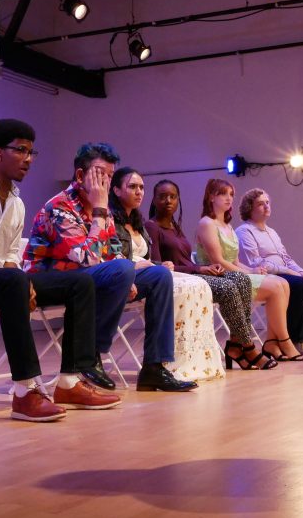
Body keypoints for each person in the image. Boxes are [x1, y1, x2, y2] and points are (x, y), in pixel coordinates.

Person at [0, 119, 121, 423]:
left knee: (80, 282)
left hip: (6, 283)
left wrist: (19, 279)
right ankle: (24, 392)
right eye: (21, 150)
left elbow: (11, 257)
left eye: (32, 153)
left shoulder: (17, 203)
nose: (28, 159)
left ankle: (70, 382)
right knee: (12, 280)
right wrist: (13, 280)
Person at [22, 142, 197, 393]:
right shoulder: (59, 207)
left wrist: (127, 276)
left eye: (110, 176)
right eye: (100, 174)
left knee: (158, 275)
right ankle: (90, 354)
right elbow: (86, 257)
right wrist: (100, 211)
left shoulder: (99, 207)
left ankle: (154, 368)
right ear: (81, 175)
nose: (105, 182)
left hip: (85, 279)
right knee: (123, 269)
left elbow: (114, 251)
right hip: (49, 281)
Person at [146, 179, 277, 371]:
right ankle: (247, 346)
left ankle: (234, 345)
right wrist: (199, 269)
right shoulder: (152, 226)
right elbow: (160, 267)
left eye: (173, 197)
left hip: (194, 275)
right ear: (154, 200)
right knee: (228, 288)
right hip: (179, 280)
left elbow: (185, 260)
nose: (168, 201)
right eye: (163, 196)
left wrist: (203, 269)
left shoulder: (175, 226)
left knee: (241, 279)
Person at [110, 168, 225, 381]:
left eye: (141, 187)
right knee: (174, 282)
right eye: (132, 187)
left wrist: (159, 264)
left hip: (145, 272)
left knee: (197, 285)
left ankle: (196, 360)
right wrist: (154, 267)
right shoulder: (112, 220)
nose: (138, 192)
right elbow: (114, 256)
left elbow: (146, 257)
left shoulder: (137, 221)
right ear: (116, 190)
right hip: (124, 274)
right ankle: (167, 363)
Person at [195, 179, 303, 362]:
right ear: (211, 197)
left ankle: (271, 341)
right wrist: (247, 273)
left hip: (234, 273)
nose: (229, 198)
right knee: (277, 287)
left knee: (283, 283)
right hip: (220, 276)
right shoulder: (207, 223)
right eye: (223, 194)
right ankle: (284, 341)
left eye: (231, 194)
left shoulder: (227, 226)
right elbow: (218, 260)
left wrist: (253, 269)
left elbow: (236, 261)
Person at [236, 189, 303, 355]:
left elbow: (285, 257)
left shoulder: (272, 231)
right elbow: (257, 262)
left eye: (267, 202)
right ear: (249, 209)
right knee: (299, 285)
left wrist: (299, 270)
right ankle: (296, 340)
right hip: (265, 276)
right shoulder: (244, 231)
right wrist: (289, 271)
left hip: (285, 272)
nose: (266, 206)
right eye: (260, 204)